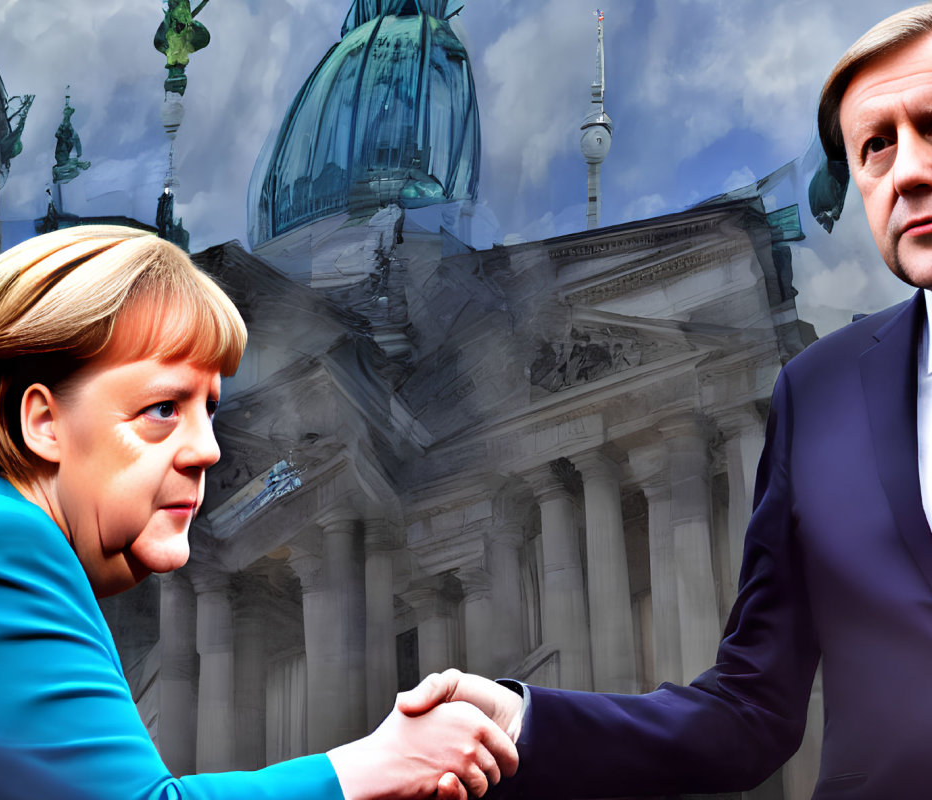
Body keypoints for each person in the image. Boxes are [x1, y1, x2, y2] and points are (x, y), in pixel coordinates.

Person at [399, 5, 932, 798]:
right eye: (875, 146)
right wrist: (524, 719)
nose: (908, 170)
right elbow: (752, 708)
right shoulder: (819, 393)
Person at [0, 225, 517, 799]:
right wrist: (374, 765)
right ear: (43, 422)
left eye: (208, 408)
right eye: (162, 407)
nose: (209, 449)